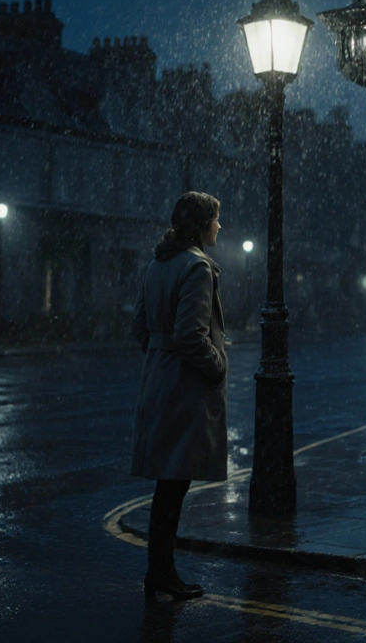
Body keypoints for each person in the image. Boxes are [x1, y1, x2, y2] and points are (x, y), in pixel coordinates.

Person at [130, 191, 228, 600]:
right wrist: (217, 364)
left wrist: (160, 354)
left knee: (167, 484)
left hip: (159, 379)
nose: (220, 227)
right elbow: (192, 334)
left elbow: (140, 324)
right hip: (184, 388)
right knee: (174, 485)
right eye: (216, 220)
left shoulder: (158, 263)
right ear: (202, 224)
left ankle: (159, 571)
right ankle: (162, 572)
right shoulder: (197, 268)